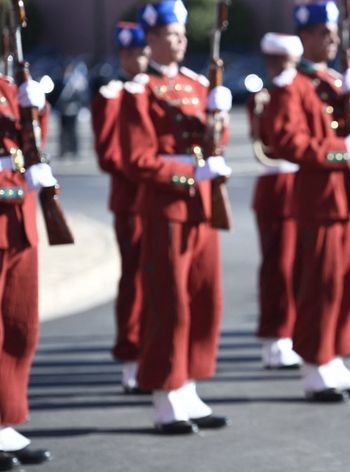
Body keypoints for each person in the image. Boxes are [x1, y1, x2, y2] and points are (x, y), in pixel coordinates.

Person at [119, 0, 233, 434]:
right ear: (150, 39)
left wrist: (217, 119)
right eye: (170, 33)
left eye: (182, 33)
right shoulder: (138, 91)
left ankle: (188, 386)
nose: (180, 40)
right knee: (169, 302)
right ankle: (165, 394)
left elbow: (210, 140)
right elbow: (138, 160)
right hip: (166, 205)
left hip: (201, 204)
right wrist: (190, 172)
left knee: (204, 298)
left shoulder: (198, 83)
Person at [267, 0, 350, 402]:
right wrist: (338, 151)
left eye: (334, 32)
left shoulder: (335, 81)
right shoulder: (291, 85)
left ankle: (334, 357)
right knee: (320, 282)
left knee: (349, 280)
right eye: (323, 33)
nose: (331, 39)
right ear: (304, 36)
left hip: (347, 196)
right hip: (318, 198)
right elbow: (288, 142)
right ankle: (314, 364)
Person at [0, 51, 55, 472]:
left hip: (19, 219)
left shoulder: (6, 88)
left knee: (20, 325)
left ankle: (5, 420)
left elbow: (31, 139)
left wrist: (37, 107)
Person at [90, 21, 149, 393]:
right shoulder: (114, 96)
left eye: (140, 52)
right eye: (128, 53)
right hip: (134, 203)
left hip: (163, 200)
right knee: (135, 281)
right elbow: (110, 156)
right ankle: (131, 358)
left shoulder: (160, 90)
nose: (135, 59)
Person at [248, 33, 304, 370]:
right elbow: (271, 143)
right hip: (277, 184)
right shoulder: (268, 97)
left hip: (297, 183)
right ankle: (276, 336)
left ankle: (290, 333)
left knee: (297, 268)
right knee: (278, 268)